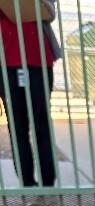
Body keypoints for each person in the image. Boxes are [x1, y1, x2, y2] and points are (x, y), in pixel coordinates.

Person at [0, 0, 61, 187]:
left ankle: (48, 181)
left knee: (41, 122)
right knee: (17, 125)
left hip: (38, 60)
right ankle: (27, 182)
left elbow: (50, 13)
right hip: (6, 62)